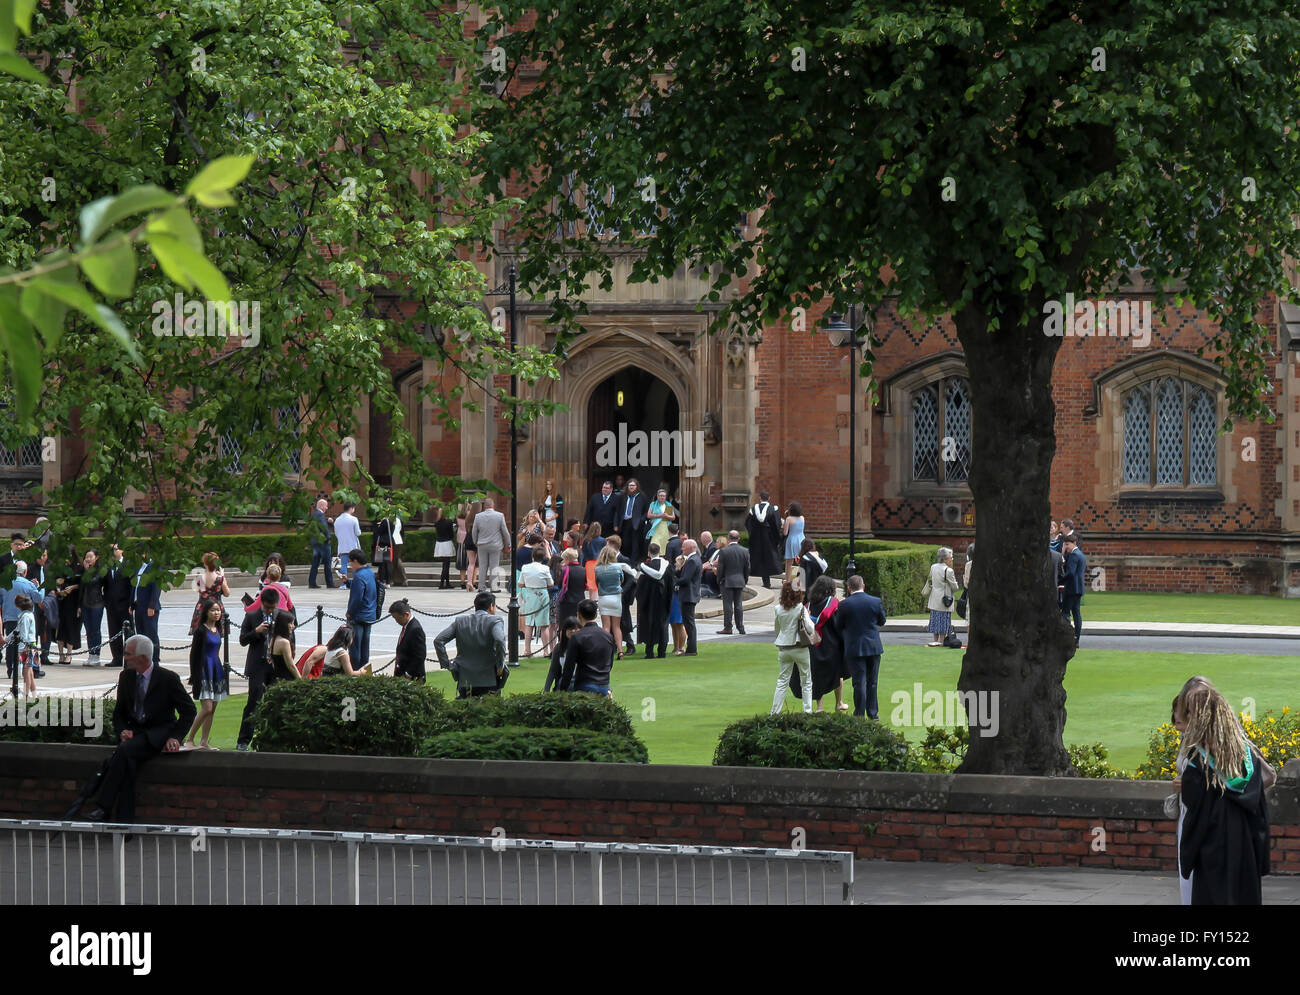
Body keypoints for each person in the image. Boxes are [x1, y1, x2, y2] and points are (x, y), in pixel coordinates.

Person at [74, 634, 195, 823]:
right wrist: (123, 730)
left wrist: (176, 737)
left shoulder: (168, 679)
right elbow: (119, 713)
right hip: (134, 736)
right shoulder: (126, 676)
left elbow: (189, 711)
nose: (125, 657)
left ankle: (103, 808)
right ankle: (123, 820)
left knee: (124, 751)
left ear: (143, 658)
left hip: (157, 734)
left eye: (128, 654)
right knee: (127, 762)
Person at [1176, 677, 1271, 905]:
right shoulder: (1245, 756)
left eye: (1189, 712)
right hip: (1245, 841)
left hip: (1213, 843)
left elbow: (1193, 808)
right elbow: (1260, 808)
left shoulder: (1198, 761)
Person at [434, 591, 507, 698]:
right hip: (489, 679)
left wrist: (448, 665)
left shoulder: (460, 621)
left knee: (464, 711)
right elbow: (500, 640)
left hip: (464, 679)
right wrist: (500, 665)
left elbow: (439, 641)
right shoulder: (495, 620)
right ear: (491, 606)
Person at [792, 575, 849, 712]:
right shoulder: (833, 604)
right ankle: (838, 703)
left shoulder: (808, 605)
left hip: (813, 644)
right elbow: (838, 625)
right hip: (830, 645)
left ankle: (819, 706)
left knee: (816, 675)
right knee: (837, 673)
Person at [236, 588, 283, 751]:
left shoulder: (281, 615)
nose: (270, 610)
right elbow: (242, 640)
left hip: (275, 665)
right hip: (258, 665)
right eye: (267, 607)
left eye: (273, 607)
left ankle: (269, 739)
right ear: (262, 603)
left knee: (275, 703)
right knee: (254, 702)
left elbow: (290, 637)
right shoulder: (251, 616)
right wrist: (256, 631)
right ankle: (243, 740)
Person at [834, 575, 887, 719]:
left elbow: (838, 625)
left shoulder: (845, 604)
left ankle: (859, 714)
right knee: (872, 682)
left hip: (854, 647)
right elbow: (882, 621)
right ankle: (873, 714)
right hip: (873, 646)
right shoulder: (875, 601)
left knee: (859, 683)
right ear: (863, 586)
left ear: (849, 588)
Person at [183, 598, 228, 750]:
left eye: (218, 610)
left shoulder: (218, 629)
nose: (216, 613)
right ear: (206, 612)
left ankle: (204, 741)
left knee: (213, 709)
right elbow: (194, 654)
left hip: (216, 669)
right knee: (207, 708)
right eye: (213, 610)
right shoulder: (201, 630)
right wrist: (194, 675)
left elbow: (216, 651)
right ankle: (189, 739)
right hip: (203, 670)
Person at [770, 581, 814, 714]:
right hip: (799, 647)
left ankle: (775, 713)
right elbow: (811, 629)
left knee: (782, 681)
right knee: (806, 681)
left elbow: (777, 630)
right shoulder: (801, 608)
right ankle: (807, 712)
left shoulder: (778, 609)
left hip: (784, 648)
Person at [558, 599, 616, 696]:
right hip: (604, 685)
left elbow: (569, 668)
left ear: (579, 615)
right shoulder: (608, 636)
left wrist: (562, 691)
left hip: (584, 685)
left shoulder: (577, 637)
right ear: (596, 615)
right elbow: (609, 664)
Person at [592, 544, 637, 659]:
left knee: (606, 626)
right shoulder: (618, 567)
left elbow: (597, 583)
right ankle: (621, 651)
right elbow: (621, 579)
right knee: (616, 626)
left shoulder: (597, 569)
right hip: (616, 597)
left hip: (604, 597)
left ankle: (606, 650)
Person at [4, 560, 43, 679]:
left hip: (9, 618)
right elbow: (38, 598)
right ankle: (28, 669)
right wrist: (40, 587)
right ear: (25, 572)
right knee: (27, 642)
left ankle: (11, 670)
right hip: (25, 617)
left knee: (11, 644)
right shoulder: (29, 585)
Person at [636, 542, 673, 658]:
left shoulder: (645, 567)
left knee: (649, 624)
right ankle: (662, 651)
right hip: (663, 601)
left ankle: (649, 652)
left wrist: (641, 600)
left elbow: (640, 586)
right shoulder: (667, 566)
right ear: (660, 552)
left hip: (649, 603)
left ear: (648, 553)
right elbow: (671, 584)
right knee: (663, 625)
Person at [471, 496, 512, 593]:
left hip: (482, 544)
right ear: (493, 505)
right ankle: (494, 587)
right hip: (495, 544)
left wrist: (475, 542)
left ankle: (481, 587)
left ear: (485, 506)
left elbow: (474, 531)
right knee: (494, 566)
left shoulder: (478, 516)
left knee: (482, 566)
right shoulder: (499, 515)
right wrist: (508, 543)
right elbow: (505, 532)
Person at [519, 545, 555, 657]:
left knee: (529, 624)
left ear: (532, 557)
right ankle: (545, 651)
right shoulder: (545, 569)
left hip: (529, 594)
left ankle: (527, 650)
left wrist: (528, 585)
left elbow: (520, 583)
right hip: (542, 594)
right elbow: (551, 584)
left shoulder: (525, 567)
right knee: (544, 625)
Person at [345, 550, 378, 668]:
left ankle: (355, 670)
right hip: (369, 615)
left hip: (358, 616)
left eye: (350, 562)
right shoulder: (369, 572)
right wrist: (347, 582)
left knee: (355, 647)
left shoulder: (358, 576)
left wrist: (349, 612)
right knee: (365, 647)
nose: (350, 565)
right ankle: (364, 671)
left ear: (355, 561)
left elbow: (357, 598)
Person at [921, 547, 958, 647]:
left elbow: (929, 581)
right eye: (950, 557)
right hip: (945, 599)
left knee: (935, 619)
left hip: (934, 598)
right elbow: (955, 587)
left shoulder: (933, 567)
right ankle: (941, 642)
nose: (952, 559)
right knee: (943, 621)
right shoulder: (948, 571)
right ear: (945, 559)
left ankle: (935, 641)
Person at [103, 544, 133, 668]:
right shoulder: (108, 566)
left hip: (125, 604)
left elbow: (131, 585)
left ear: (122, 550)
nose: (113, 552)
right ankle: (117, 657)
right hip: (111, 604)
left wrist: (131, 604)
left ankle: (129, 658)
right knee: (113, 631)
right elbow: (104, 584)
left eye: (115, 549)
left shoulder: (127, 565)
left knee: (128, 632)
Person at [745, 492, 783, 589]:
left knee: (760, 560)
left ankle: (766, 582)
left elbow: (748, 524)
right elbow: (776, 525)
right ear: (769, 498)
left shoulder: (753, 510)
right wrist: (776, 538)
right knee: (770, 559)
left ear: (760, 498)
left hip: (757, 540)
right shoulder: (773, 509)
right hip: (769, 539)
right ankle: (767, 581)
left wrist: (753, 536)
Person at [717, 532, 750, 634]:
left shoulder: (724, 551)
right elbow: (747, 568)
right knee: (738, 605)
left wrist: (719, 579)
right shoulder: (745, 551)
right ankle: (740, 627)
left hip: (727, 581)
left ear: (728, 539)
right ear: (739, 539)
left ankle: (728, 627)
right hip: (739, 580)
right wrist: (744, 579)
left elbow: (720, 568)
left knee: (727, 605)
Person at [78, 549, 106, 668]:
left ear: (97, 558)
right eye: (86, 557)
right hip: (85, 604)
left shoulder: (99, 570)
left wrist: (86, 570)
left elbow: (92, 582)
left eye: (91, 556)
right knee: (88, 630)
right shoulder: (84, 570)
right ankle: (91, 654)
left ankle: (96, 655)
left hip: (96, 604)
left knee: (95, 629)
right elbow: (82, 587)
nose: (88, 559)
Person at [674, 539, 702, 655]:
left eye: (684, 547)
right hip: (690, 595)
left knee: (689, 623)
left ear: (691, 547)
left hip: (688, 595)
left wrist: (675, 582)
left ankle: (691, 649)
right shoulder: (694, 559)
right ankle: (691, 648)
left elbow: (686, 579)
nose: (682, 549)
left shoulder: (692, 560)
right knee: (689, 623)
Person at [132, 556, 162, 666]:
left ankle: (154, 660)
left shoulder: (154, 567)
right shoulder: (138, 568)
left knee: (151, 634)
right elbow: (134, 587)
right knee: (141, 634)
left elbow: (156, 588)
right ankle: (143, 658)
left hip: (149, 607)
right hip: (138, 605)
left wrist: (152, 606)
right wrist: (131, 604)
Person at [189, 553, 230, 634]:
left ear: (205, 564)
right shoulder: (220, 579)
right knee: (216, 635)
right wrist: (222, 576)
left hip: (202, 608)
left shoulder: (199, 579)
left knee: (200, 636)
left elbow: (197, 590)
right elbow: (227, 594)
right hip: (216, 608)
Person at [54, 551, 81, 665]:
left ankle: (69, 654)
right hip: (61, 600)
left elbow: (82, 584)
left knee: (71, 626)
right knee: (60, 626)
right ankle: (60, 654)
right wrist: (58, 587)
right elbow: (54, 580)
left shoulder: (78, 568)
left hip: (73, 601)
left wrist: (73, 587)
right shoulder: (59, 567)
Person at [389, 599, 426, 681]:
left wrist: (408, 674)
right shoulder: (407, 627)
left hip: (412, 677)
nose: (396, 621)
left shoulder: (415, 629)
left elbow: (420, 655)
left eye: (397, 618)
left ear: (406, 614)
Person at [1060, 532, 1086, 647]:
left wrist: (1060, 581)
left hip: (1071, 588)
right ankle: (1076, 639)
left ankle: (1067, 637)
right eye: (1065, 545)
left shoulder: (1074, 555)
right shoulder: (1081, 554)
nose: (1066, 547)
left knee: (1065, 612)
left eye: (1067, 545)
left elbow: (1070, 573)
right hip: (1079, 588)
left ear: (1074, 543)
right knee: (1076, 613)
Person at [544, 617, 582, 691]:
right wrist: (546, 689)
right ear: (565, 631)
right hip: (565, 681)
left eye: (576, 628)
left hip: (580, 681)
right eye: (570, 629)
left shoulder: (585, 646)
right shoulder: (559, 648)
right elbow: (553, 670)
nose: (573, 631)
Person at [267, 611, 306, 684]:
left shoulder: (274, 638)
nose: (293, 626)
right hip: (286, 679)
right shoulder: (284, 642)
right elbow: (290, 665)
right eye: (291, 623)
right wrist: (301, 681)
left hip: (276, 677)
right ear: (284, 624)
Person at [618, 478, 649, 562]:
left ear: (637, 486)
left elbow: (646, 511)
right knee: (625, 543)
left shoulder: (642, 496)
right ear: (627, 486)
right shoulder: (623, 496)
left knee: (635, 544)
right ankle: (625, 561)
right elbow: (618, 510)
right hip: (625, 522)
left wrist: (641, 520)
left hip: (636, 523)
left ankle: (633, 563)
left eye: (633, 485)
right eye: (630, 485)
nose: (631, 487)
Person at [308, 498, 337, 589]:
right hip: (323, 543)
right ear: (321, 505)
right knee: (327, 564)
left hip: (316, 543)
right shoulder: (320, 515)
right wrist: (329, 537)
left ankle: (312, 582)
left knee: (315, 564)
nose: (327, 508)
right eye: (326, 505)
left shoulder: (314, 514)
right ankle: (330, 583)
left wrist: (327, 519)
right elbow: (324, 528)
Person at [334, 502, 363, 586]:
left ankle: (344, 584)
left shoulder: (337, 520)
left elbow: (336, 533)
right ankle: (356, 583)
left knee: (343, 565)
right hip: (353, 546)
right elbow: (358, 533)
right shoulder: (354, 519)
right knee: (355, 564)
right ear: (351, 509)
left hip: (342, 546)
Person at [556, 548, 586, 627]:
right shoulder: (584, 570)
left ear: (568, 559)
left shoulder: (565, 570)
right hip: (580, 600)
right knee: (579, 624)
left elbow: (560, 586)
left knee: (564, 625)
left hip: (567, 601)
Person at [14, 594, 37, 695]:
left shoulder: (25, 617)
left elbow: (23, 634)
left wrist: (20, 650)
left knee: (26, 672)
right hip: (31, 643)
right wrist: (8, 639)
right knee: (30, 671)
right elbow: (17, 630)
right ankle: (34, 693)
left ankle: (26, 694)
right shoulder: (29, 615)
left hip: (27, 645)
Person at [645, 487, 675, 557]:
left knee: (664, 546)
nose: (662, 497)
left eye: (664, 496)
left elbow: (673, 517)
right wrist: (660, 515)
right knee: (654, 545)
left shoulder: (668, 505)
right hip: (656, 528)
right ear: (657, 496)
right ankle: (653, 560)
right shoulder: (653, 504)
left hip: (665, 528)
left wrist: (666, 516)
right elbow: (648, 515)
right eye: (660, 496)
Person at [433, 507, 457, 589]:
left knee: (445, 564)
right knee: (446, 565)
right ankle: (443, 583)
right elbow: (451, 535)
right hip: (446, 543)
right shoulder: (449, 522)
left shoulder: (437, 523)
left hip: (439, 543)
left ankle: (445, 583)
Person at [782, 502, 805, 581]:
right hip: (802, 539)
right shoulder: (802, 518)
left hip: (792, 540)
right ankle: (801, 579)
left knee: (789, 563)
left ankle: (787, 581)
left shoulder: (789, 519)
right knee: (801, 561)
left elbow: (785, 533)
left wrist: (786, 517)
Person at [462, 502, 481, 590]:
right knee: (480, 563)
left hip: (468, 539)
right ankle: (476, 582)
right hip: (477, 539)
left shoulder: (468, 517)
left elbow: (466, 529)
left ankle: (469, 582)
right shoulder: (480, 517)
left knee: (471, 563)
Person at [389, 509, 407, 587]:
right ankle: (401, 579)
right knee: (396, 559)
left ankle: (396, 579)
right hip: (399, 540)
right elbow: (402, 532)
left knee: (393, 560)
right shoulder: (399, 520)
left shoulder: (391, 521)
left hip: (393, 541)